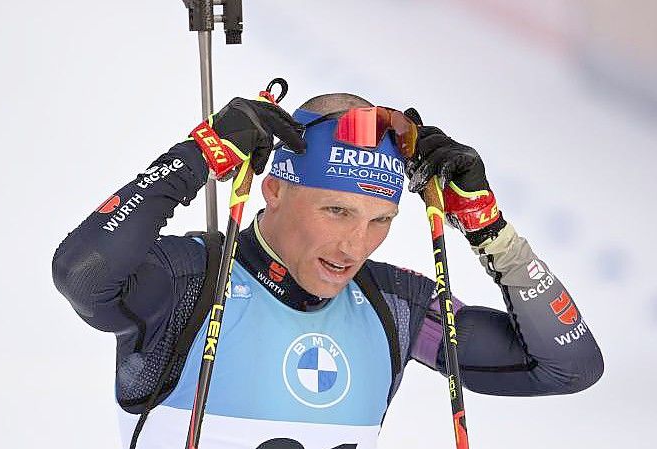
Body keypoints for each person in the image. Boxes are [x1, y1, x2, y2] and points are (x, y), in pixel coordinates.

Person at [51, 93, 603, 449]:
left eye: (379, 220)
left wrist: (491, 232)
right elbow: (85, 275)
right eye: (336, 210)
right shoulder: (192, 280)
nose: (353, 245)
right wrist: (194, 159)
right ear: (275, 190)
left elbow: (566, 365)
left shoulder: (396, 305)